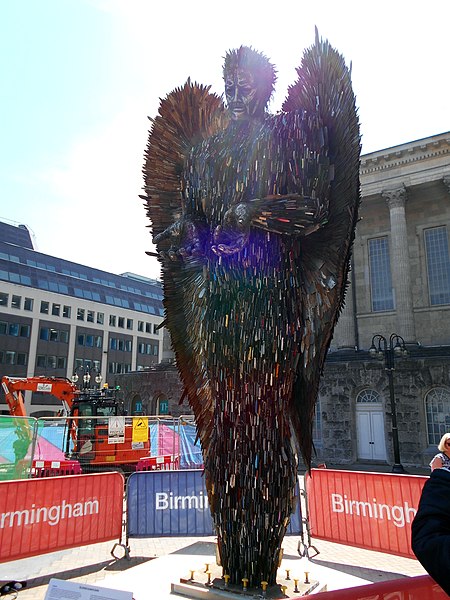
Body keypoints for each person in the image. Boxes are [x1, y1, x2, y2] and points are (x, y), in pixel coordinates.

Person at [143, 34, 360, 587]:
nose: (236, 93)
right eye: (230, 83)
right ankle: (232, 553)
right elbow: (191, 222)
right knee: (224, 425)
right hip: (220, 306)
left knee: (264, 426)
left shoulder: (284, 143)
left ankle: (260, 561)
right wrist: (183, 232)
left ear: (264, 90)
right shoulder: (207, 153)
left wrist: (254, 213)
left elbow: (314, 212)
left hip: (271, 305)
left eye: (247, 84)